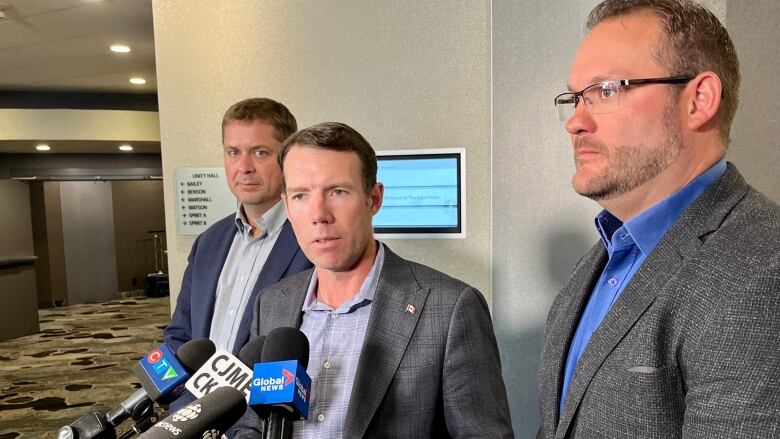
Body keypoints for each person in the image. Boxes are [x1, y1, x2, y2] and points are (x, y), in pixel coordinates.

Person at [538, 1, 780, 438]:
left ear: (699, 100)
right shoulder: (600, 261)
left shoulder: (761, 270)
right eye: (575, 98)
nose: (574, 121)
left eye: (607, 90)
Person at [233, 122, 513, 438]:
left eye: (337, 192)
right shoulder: (271, 303)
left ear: (374, 198)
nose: (319, 214)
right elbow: (250, 425)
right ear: (286, 205)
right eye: (301, 195)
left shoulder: (449, 308)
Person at [163, 98, 312, 409]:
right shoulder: (209, 242)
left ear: (286, 158)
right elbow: (181, 332)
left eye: (260, 153)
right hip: (197, 414)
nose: (244, 167)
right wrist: (182, 408)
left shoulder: (313, 242)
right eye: (234, 152)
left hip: (265, 419)